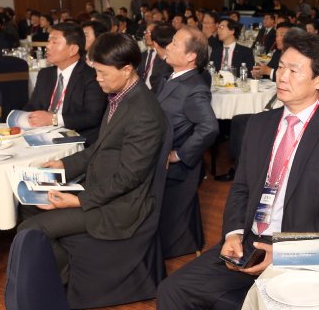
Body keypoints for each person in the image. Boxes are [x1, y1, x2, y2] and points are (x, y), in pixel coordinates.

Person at [148, 29, 319, 310]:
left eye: (294, 70)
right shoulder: (260, 125)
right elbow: (241, 188)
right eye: (281, 67)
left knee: (231, 307)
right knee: (173, 290)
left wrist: (285, 254)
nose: (282, 76)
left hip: (299, 252)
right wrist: (234, 233)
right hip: (249, 242)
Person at [17, 33, 167, 283]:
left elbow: (129, 177)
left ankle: (66, 283)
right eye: (96, 71)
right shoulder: (121, 96)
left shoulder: (143, 112)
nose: (97, 79)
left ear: (127, 70)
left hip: (119, 205)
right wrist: (63, 165)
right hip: (99, 186)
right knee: (28, 203)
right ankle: (58, 269)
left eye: (102, 73)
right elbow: (100, 147)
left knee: (30, 229)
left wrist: (78, 200)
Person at [157, 26, 219, 258]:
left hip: (176, 164)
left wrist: (180, 154)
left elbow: (209, 127)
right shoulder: (172, 77)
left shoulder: (194, 88)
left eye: (174, 43)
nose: (168, 46)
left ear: (191, 56)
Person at [22, 24, 107, 146]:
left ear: (73, 50)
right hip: (42, 134)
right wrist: (21, 118)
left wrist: (53, 119)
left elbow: (92, 116)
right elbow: (33, 105)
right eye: (49, 41)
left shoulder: (91, 76)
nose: (48, 46)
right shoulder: (45, 74)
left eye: (55, 42)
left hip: (76, 139)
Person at [139, 23, 174, 94]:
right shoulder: (141, 55)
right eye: (145, 32)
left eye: (149, 32)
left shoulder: (167, 57)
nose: (146, 35)